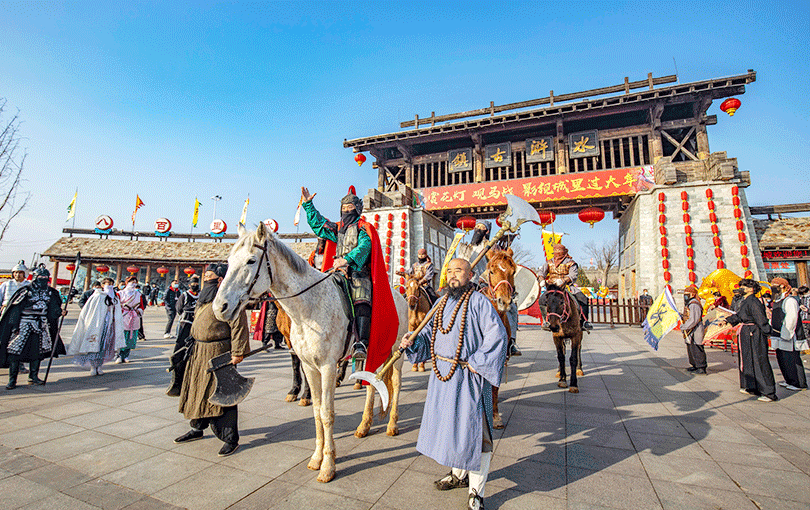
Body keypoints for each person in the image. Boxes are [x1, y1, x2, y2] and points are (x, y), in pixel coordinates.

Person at [400, 258, 508, 510]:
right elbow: (427, 335)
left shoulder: (480, 302)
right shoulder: (440, 303)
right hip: (443, 377)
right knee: (451, 429)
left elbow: (498, 335)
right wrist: (412, 342)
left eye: (458, 271)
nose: (452, 275)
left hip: (469, 378)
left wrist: (479, 361)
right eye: (449, 271)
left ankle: (476, 492)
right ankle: (459, 475)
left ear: (470, 275)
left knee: (477, 434)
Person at [301, 185, 394, 361]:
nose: (346, 211)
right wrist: (308, 205)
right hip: (337, 271)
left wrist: (347, 259)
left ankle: (361, 343)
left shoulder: (363, 228)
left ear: (357, 209)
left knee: (361, 301)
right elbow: (319, 224)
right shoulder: (337, 229)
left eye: (349, 207)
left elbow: (364, 247)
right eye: (343, 208)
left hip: (358, 272)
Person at [174, 263, 249, 457]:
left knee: (222, 393)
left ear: (220, 280)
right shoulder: (204, 297)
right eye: (205, 276)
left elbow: (239, 324)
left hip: (218, 351)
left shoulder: (229, 298)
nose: (205, 279)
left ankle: (230, 438)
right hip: (198, 351)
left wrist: (238, 351)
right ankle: (197, 427)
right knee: (197, 388)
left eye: (209, 276)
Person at [0, 266, 66, 389]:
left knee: (37, 352)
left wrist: (59, 312)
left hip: (41, 324)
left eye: (45, 278)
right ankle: (12, 380)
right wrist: (14, 326)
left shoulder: (51, 292)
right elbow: (15, 309)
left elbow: (53, 308)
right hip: (24, 323)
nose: (42, 281)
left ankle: (33, 376)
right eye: (40, 278)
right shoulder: (26, 291)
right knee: (15, 352)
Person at [721, 279, 778, 402]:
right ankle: (752, 386)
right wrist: (727, 320)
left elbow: (760, 318)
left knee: (759, 360)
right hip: (747, 332)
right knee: (748, 359)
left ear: (751, 289)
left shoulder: (754, 301)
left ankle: (768, 392)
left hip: (754, 332)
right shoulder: (745, 301)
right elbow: (739, 315)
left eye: (744, 286)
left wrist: (767, 331)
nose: (741, 288)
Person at [68, 278, 125, 376]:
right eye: (108, 284)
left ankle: (100, 365)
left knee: (105, 346)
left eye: (111, 284)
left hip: (109, 325)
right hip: (97, 325)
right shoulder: (97, 296)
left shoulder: (114, 297)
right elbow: (91, 310)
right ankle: (93, 366)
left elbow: (117, 311)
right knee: (95, 345)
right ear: (103, 285)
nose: (110, 286)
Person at [537, 244, 593, 330]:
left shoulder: (570, 263)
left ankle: (584, 321)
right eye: (556, 251)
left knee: (583, 299)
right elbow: (541, 272)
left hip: (566, 286)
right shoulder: (549, 262)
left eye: (559, 251)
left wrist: (563, 280)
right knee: (542, 300)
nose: (558, 254)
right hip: (553, 287)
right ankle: (546, 321)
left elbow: (573, 275)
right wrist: (541, 279)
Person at [769, 278, 808, 391]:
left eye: (775, 285)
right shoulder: (778, 300)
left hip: (788, 335)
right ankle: (789, 380)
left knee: (792, 360)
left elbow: (792, 318)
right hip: (778, 334)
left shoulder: (790, 300)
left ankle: (799, 383)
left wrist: (786, 333)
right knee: (782, 359)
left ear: (782, 286)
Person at [166, 275, 200, 397]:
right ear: (189, 285)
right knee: (181, 346)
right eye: (193, 284)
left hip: (197, 322)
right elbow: (179, 308)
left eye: (196, 283)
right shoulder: (185, 295)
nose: (195, 285)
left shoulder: (201, 295)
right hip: (186, 322)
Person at [116, 276, 143, 363]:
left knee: (131, 337)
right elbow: (116, 305)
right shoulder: (120, 293)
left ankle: (126, 355)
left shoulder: (138, 294)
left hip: (134, 316)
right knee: (122, 336)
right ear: (127, 283)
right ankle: (119, 355)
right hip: (124, 316)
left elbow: (142, 306)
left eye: (135, 282)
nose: (133, 284)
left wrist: (138, 311)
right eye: (132, 282)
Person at [681, 285, 707, 375]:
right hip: (690, 330)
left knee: (697, 347)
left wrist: (684, 327)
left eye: (687, 294)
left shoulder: (694, 304)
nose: (685, 296)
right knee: (691, 348)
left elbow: (694, 319)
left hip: (696, 329)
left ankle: (701, 367)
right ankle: (695, 365)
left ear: (692, 294)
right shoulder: (689, 303)